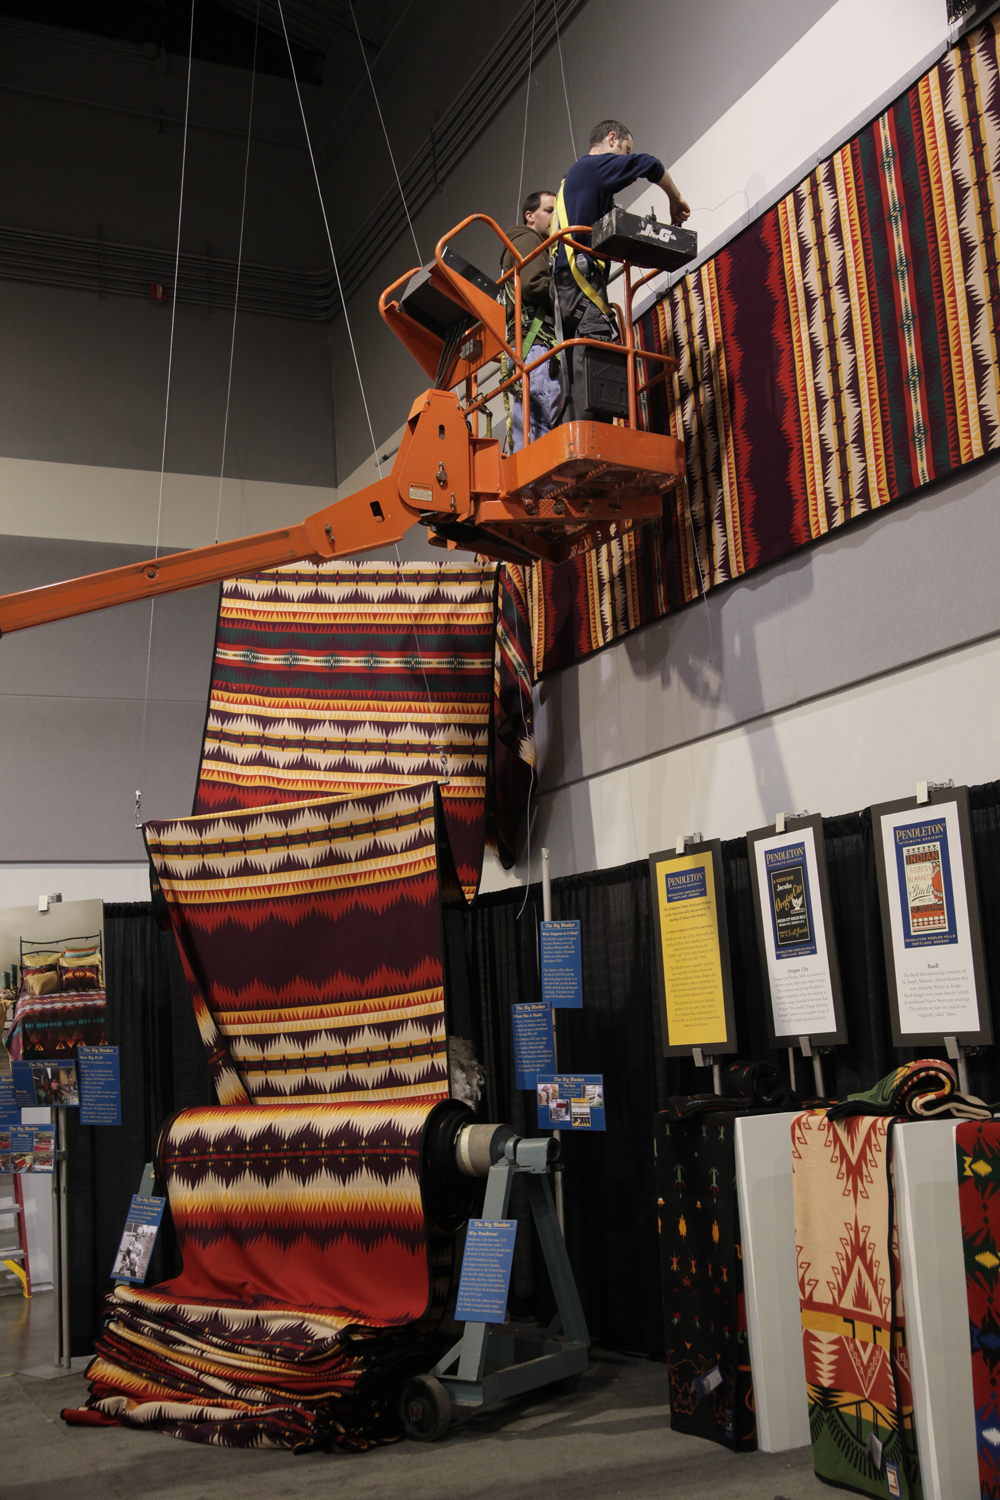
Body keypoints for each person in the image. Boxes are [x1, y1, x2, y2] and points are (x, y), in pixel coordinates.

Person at [552, 120, 690, 421]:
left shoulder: (572, 183)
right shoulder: (594, 168)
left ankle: (579, 435)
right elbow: (648, 164)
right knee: (596, 353)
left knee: (577, 365)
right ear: (612, 139)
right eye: (624, 150)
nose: (625, 157)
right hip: (583, 285)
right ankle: (595, 439)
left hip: (567, 289)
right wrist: (674, 198)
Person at [499, 190, 563, 450]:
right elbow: (534, 285)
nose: (553, 217)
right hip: (536, 342)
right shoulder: (527, 239)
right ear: (530, 215)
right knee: (543, 411)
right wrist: (568, 290)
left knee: (528, 416)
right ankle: (541, 483)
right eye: (548, 211)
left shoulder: (523, 242)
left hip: (527, 343)